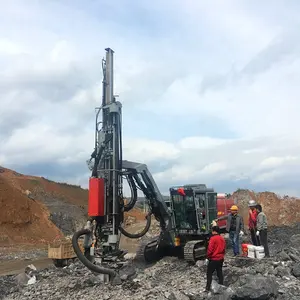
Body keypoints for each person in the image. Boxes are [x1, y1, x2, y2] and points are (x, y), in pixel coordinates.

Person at [205, 226, 226, 292]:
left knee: (209, 273)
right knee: (219, 272)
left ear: (213, 231)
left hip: (214, 259)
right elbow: (224, 248)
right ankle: (221, 285)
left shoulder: (212, 239)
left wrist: (207, 256)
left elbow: (210, 249)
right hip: (221, 258)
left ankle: (207, 288)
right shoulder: (222, 239)